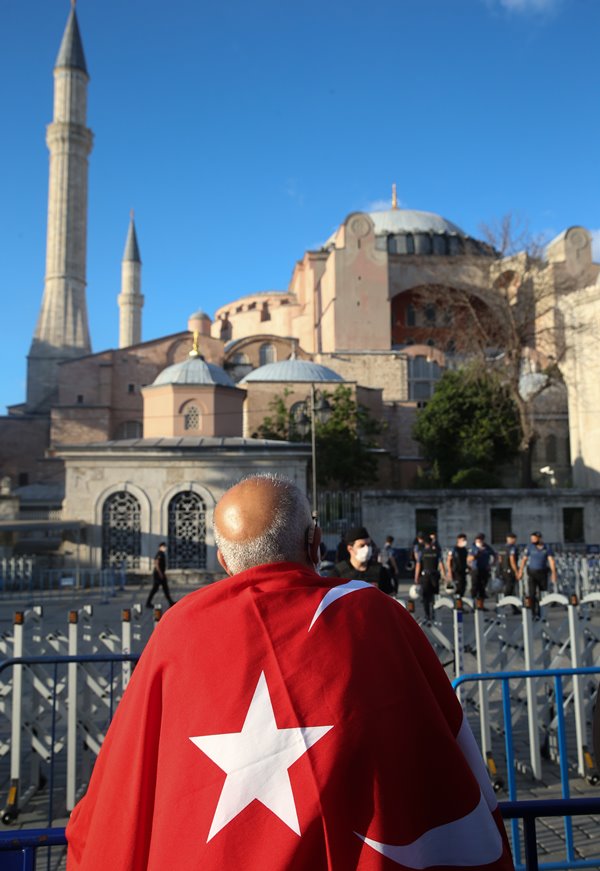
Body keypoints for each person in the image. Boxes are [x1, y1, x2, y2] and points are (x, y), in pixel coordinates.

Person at [66, 475, 514, 870]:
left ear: (224, 561)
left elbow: (120, 783)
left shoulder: (180, 627)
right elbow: (440, 748)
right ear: (316, 543)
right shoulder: (373, 613)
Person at [332, 525, 388, 591]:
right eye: (362, 546)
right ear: (350, 549)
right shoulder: (338, 572)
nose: (367, 549)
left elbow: (389, 595)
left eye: (368, 545)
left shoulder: (380, 571)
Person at [519, 531, 557, 617]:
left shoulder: (547, 548)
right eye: (531, 539)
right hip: (532, 573)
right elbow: (524, 560)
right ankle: (532, 612)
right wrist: (520, 571)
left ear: (539, 538)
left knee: (542, 593)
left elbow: (551, 561)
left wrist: (554, 573)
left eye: (534, 538)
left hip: (542, 573)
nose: (532, 540)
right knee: (532, 593)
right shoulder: (530, 547)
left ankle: (541, 612)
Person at [417, 533, 445, 622]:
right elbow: (441, 564)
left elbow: (418, 565)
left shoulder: (422, 552)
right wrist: (444, 575)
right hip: (434, 576)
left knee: (426, 597)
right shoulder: (436, 552)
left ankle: (427, 615)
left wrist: (416, 577)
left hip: (425, 576)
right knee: (435, 595)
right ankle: (434, 613)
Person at [145, 542, 175, 609]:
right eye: (164, 547)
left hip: (160, 574)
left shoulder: (162, 554)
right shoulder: (159, 554)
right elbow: (156, 563)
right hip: (158, 574)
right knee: (155, 589)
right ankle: (148, 603)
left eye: (165, 547)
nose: (165, 548)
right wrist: (160, 573)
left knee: (165, 588)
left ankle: (170, 602)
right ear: (160, 547)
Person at [468, 533, 496, 601]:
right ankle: (473, 600)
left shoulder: (487, 547)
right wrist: (477, 554)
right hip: (476, 569)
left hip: (484, 568)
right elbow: (469, 558)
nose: (479, 542)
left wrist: (491, 564)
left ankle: (481, 602)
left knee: (483, 586)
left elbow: (494, 555)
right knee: (475, 585)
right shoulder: (473, 547)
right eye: (478, 541)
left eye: (481, 541)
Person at [447, 533, 469, 597]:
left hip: (463, 571)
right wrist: (449, 572)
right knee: (458, 587)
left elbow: (465, 560)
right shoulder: (454, 549)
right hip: (456, 571)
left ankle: (460, 599)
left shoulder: (464, 550)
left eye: (465, 540)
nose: (465, 541)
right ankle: (457, 601)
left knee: (463, 586)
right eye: (463, 540)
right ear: (458, 540)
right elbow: (449, 561)